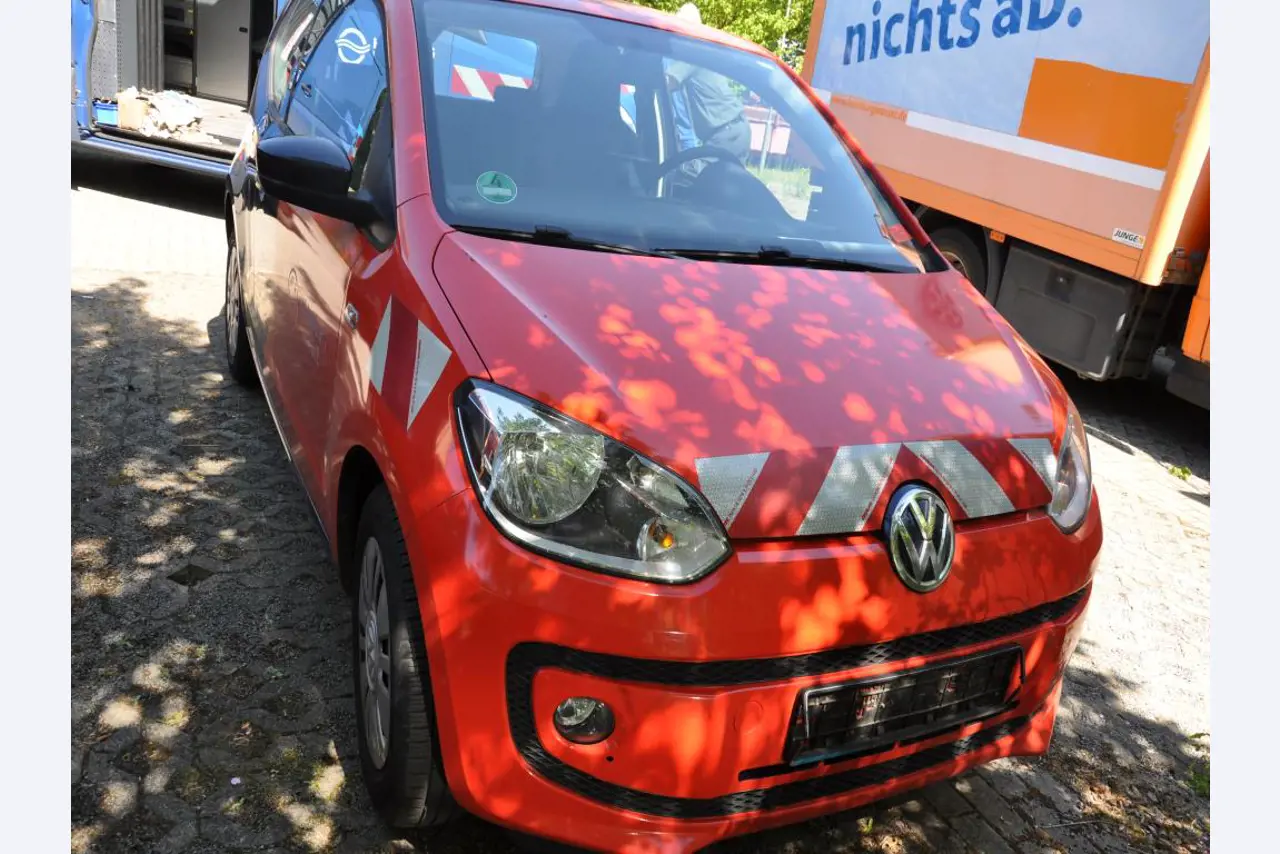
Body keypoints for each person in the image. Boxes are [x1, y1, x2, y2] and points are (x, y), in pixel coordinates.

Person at [666, 3, 751, 188]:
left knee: (685, 174)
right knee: (725, 189)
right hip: (735, 130)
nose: (675, 35)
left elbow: (667, 82)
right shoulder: (700, 49)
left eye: (676, 29)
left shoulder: (692, 50)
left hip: (726, 135)